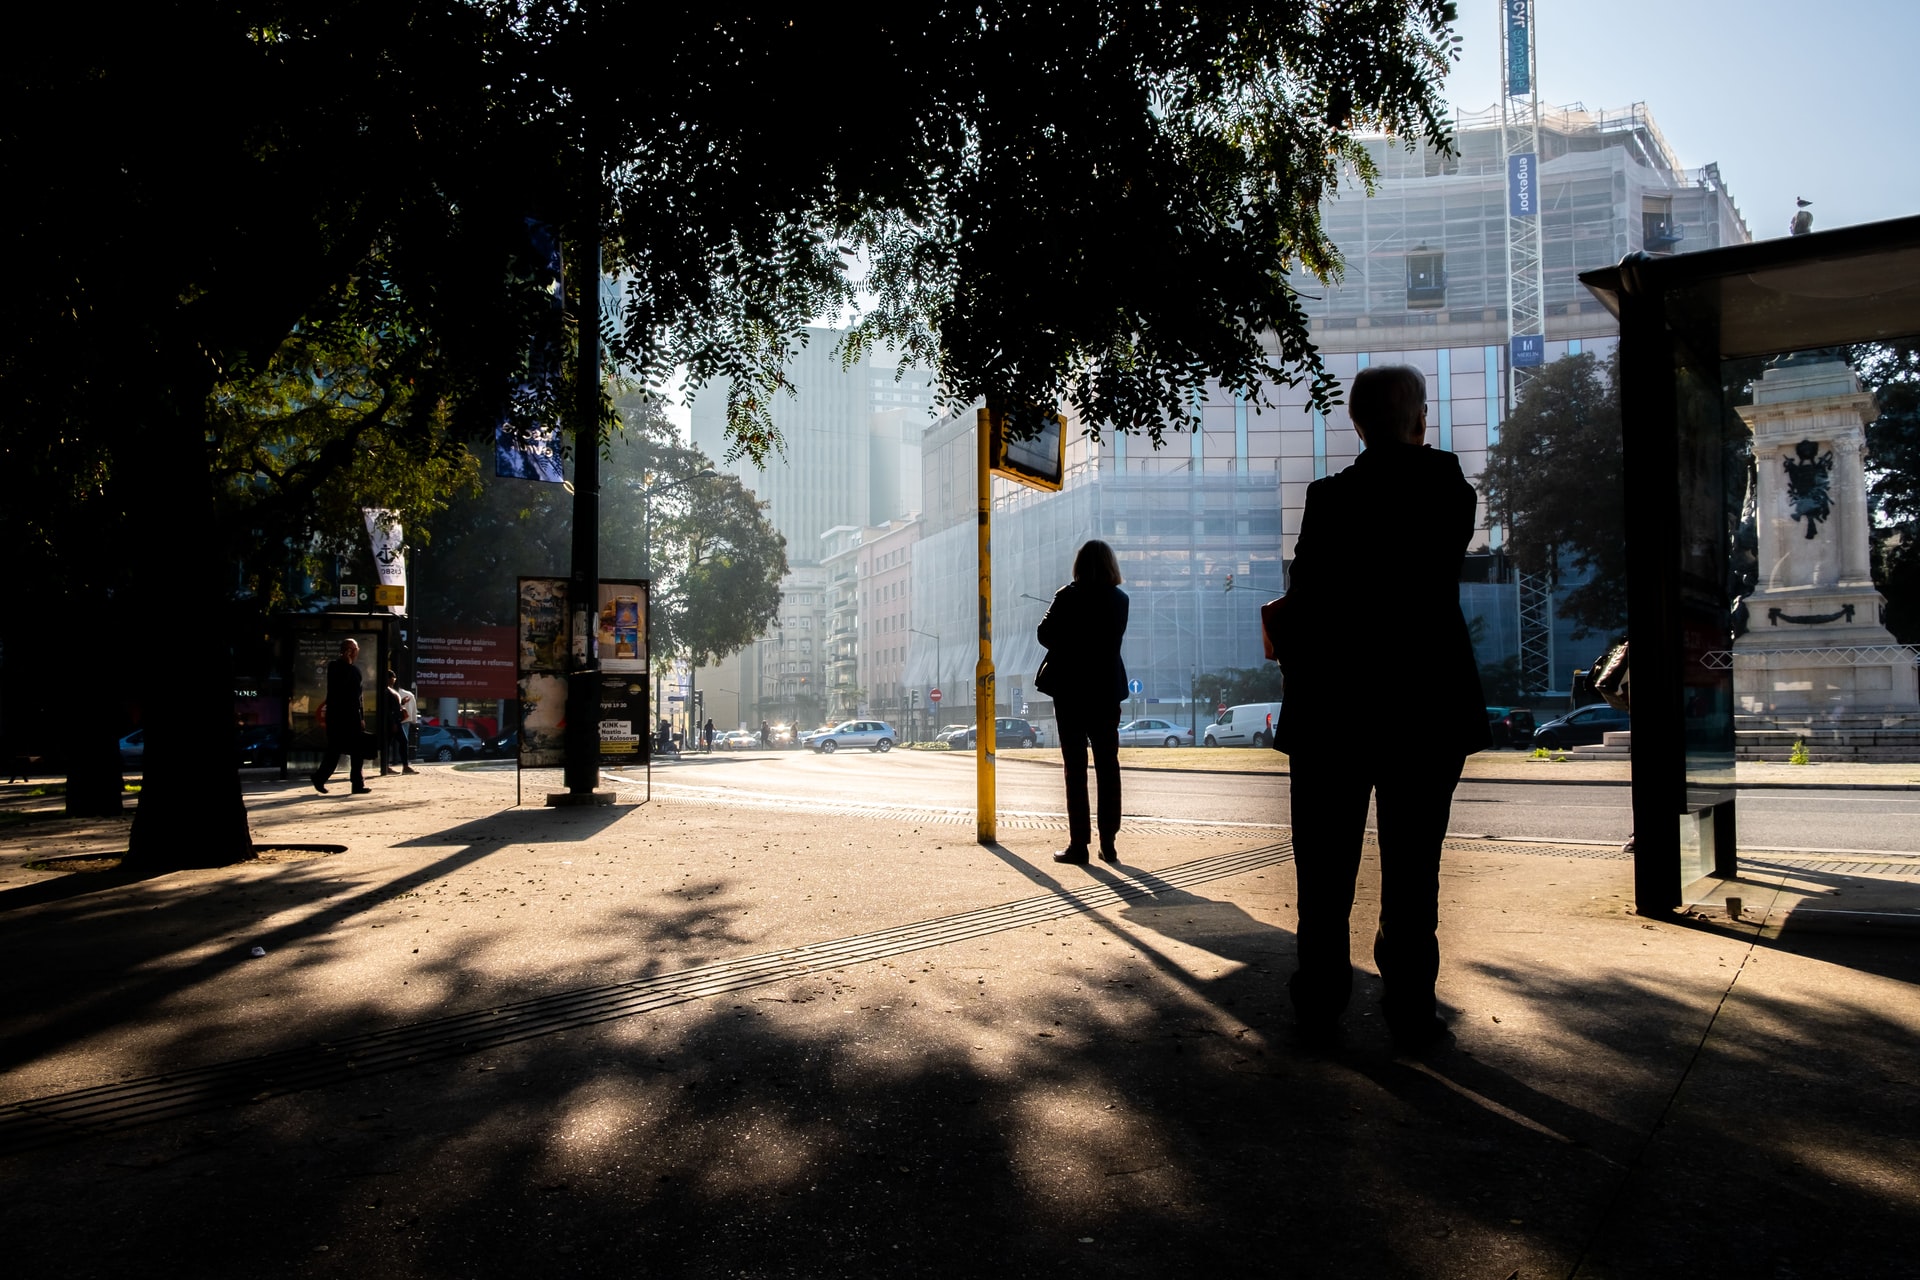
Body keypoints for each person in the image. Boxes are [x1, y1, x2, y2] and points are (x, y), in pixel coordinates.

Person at [1274, 364, 1488, 1051]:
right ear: (1420, 419)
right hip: (1424, 705)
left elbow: (1307, 590)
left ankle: (1319, 1004)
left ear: (1356, 424)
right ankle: (1410, 1008)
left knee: (1325, 868)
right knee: (1413, 866)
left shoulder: (1329, 498)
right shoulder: (1448, 490)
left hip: (1335, 705)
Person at [1036, 539, 1129, 864]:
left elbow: (1043, 633)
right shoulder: (1120, 600)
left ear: (1079, 565)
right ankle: (1109, 842)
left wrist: (1069, 639)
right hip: (1106, 691)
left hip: (1071, 691)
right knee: (1108, 765)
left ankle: (1079, 845)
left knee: (1075, 768)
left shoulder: (1067, 596)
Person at [312, 638, 372, 795]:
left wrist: (361, 717)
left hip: (352, 717)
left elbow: (359, 697)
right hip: (338, 718)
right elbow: (340, 687)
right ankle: (319, 778)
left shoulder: (356, 670)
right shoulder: (335, 667)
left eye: (355, 649)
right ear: (346, 651)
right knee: (334, 751)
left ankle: (357, 784)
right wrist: (346, 664)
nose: (354, 652)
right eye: (351, 649)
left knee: (357, 752)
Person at [381, 670, 417, 776]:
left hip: (395, 721)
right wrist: (393, 723)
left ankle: (391, 766)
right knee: (400, 742)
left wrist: (401, 702)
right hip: (393, 722)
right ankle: (397, 766)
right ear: (388, 678)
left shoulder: (389, 690)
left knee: (394, 743)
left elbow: (393, 706)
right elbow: (389, 709)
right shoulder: (386, 691)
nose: (394, 680)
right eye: (392, 678)